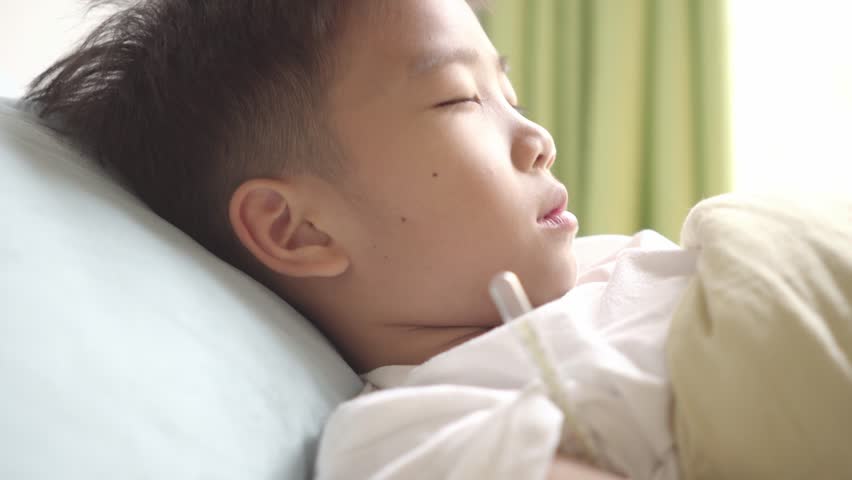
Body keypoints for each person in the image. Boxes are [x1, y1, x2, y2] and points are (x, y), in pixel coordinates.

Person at [29, 1, 852, 479]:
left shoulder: (621, 266)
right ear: (298, 228)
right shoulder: (419, 434)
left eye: (512, 90)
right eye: (461, 100)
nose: (536, 138)